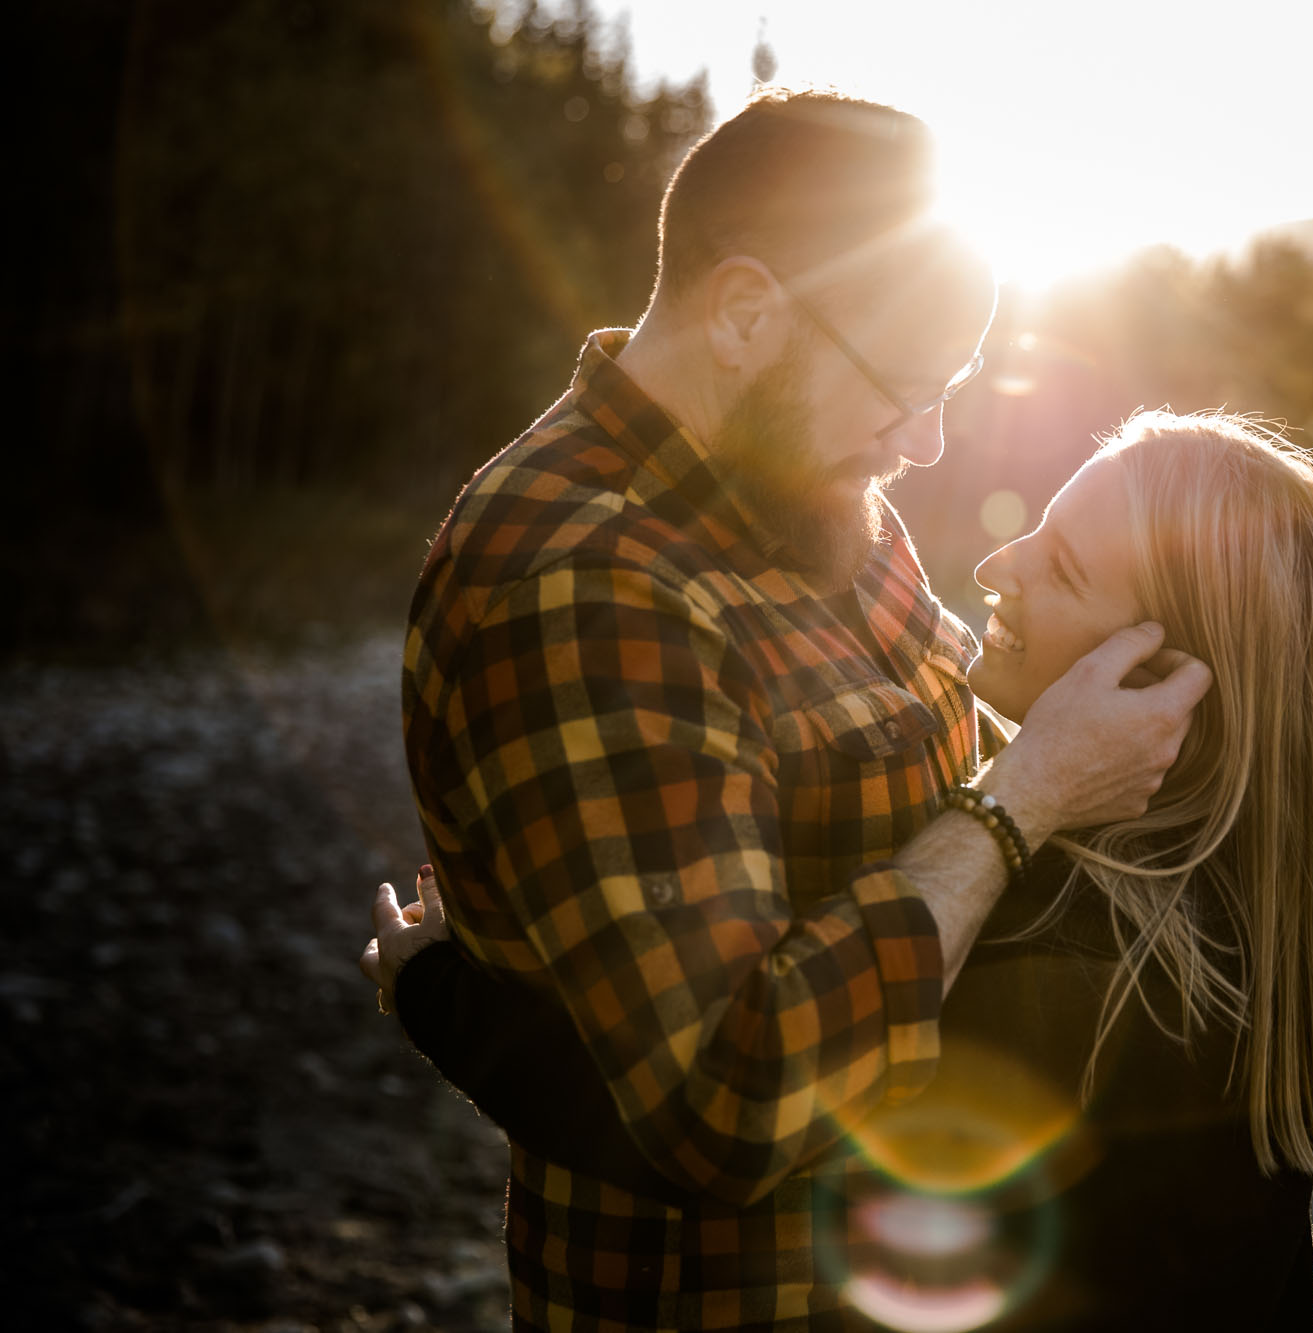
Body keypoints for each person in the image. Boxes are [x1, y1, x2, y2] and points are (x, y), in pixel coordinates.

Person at [375, 86, 1213, 1332]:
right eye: (905, 385)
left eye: (953, 389)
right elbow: (728, 1100)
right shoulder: (581, 586)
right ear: (747, 311)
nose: (925, 442)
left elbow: (910, 752)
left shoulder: (805, 485)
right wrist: (1022, 800)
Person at [368, 410, 1313, 1329]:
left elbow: (722, 1130)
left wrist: (440, 994)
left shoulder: (1057, 971)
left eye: (1057, 567)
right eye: (1034, 531)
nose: (996, 567)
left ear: (1162, 684)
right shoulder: (1236, 932)